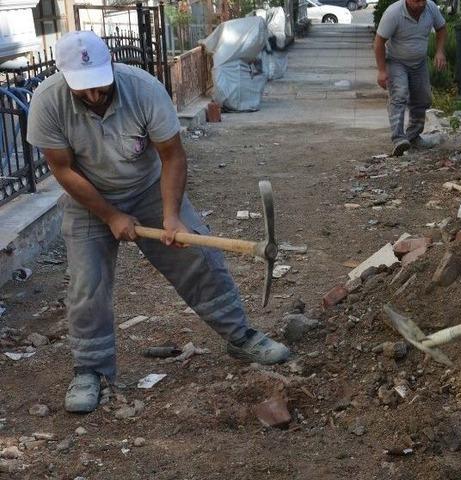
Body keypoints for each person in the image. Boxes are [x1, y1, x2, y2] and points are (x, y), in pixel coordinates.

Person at [26, 31, 291, 414]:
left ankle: (240, 335)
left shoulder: (144, 89)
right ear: (64, 76)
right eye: (83, 88)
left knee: (198, 257)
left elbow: (172, 156)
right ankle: (91, 369)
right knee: (87, 284)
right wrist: (111, 215)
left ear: (111, 64)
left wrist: (171, 216)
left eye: (100, 84)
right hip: (88, 198)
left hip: (149, 187)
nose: (95, 95)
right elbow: (62, 169)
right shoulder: (47, 101)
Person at [374, 0, 447, 156]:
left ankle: (413, 137)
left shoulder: (431, 8)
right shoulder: (393, 13)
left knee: (423, 98)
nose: (420, 4)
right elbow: (379, 41)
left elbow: (441, 28)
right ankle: (398, 139)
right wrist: (381, 70)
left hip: (419, 63)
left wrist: (440, 51)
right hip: (396, 61)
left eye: (422, 0)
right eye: (416, 1)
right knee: (399, 94)